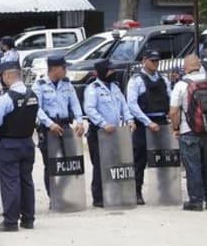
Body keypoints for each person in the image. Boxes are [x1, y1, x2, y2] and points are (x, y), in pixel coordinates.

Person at [0, 62, 38, 232]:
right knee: (27, 181)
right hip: (27, 142)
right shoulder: (33, 95)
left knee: (10, 183)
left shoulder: (7, 98)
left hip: (9, 144)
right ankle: (28, 219)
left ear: (8, 76)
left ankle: (10, 221)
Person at [83, 59, 135, 208]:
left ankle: (114, 193)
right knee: (100, 165)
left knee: (115, 163)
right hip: (99, 132)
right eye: (110, 70)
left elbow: (123, 105)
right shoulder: (93, 88)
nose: (113, 73)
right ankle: (98, 197)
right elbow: (90, 109)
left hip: (116, 132)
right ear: (102, 72)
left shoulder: (115, 88)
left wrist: (129, 119)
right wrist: (103, 124)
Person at [32, 55, 85, 196]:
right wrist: (50, 124)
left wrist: (79, 121)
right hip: (49, 129)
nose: (66, 70)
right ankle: (53, 197)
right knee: (51, 165)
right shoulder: (40, 85)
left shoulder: (67, 84)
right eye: (64, 68)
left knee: (72, 162)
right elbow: (36, 108)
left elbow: (75, 103)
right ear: (54, 69)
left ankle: (62, 193)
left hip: (65, 126)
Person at [126, 49, 171, 205]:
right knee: (139, 159)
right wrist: (147, 122)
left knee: (165, 158)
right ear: (144, 60)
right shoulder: (136, 80)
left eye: (157, 61)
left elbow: (169, 98)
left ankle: (165, 190)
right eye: (152, 61)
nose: (155, 63)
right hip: (143, 124)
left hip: (161, 122)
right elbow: (132, 104)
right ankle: (136, 191)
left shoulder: (163, 79)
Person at [170, 53, 207, 210]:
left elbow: (173, 111)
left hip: (189, 132)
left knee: (193, 167)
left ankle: (196, 201)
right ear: (199, 65)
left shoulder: (181, 85)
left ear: (185, 68)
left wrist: (176, 128)